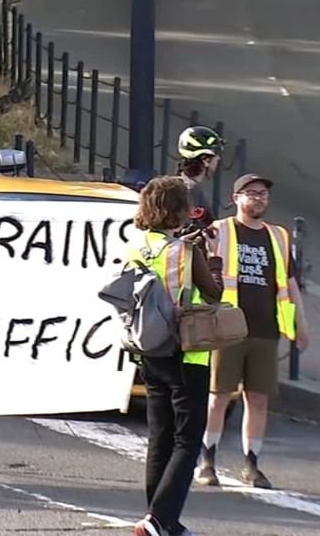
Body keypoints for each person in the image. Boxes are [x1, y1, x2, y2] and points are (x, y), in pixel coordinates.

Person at [196, 173, 309, 489]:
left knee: (258, 399)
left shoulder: (279, 236)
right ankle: (207, 461)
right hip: (227, 328)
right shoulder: (219, 231)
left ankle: (251, 465)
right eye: (252, 193)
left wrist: (301, 323)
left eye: (263, 194)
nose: (259, 198)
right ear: (237, 198)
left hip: (265, 329)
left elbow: (289, 283)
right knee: (218, 396)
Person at [127, 176, 223, 536]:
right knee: (187, 439)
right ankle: (158, 518)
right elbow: (211, 294)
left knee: (160, 436)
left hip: (150, 348)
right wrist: (213, 264)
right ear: (177, 210)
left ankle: (162, 519)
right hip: (187, 352)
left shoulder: (138, 245)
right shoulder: (185, 251)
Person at [176, 125, 224, 218]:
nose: (218, 158)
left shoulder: (178, 186)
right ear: (206, 160)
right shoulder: (191, 190)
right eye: (216, 154)